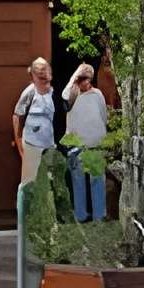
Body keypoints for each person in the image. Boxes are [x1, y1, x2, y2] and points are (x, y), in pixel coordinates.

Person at [62, 61, 111, 221]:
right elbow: (64, 97)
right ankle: (81, 215)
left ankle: (99, 216)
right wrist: (74, 77)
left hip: (95, 145)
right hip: (77, 146)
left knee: (97, 181)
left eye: (87, 78)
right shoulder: (72, 96)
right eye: (81, 78)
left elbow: (104, 117)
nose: (85, 81)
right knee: (78, 182)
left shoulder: (98, 94)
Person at [12, 56, 58, 203]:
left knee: (48, 183)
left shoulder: (51, 92)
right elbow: (17, 115)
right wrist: (19, 141)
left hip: (48, 144)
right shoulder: (30, 91)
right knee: (28, 184)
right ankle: (25, 223)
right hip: (32, 142)